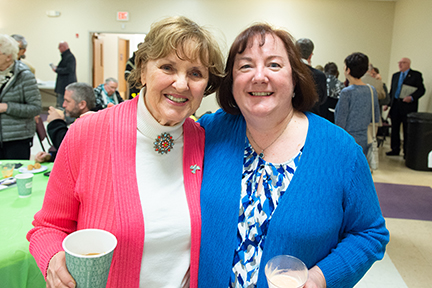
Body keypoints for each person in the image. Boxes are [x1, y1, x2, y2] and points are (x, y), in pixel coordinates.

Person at [27, 16, 224, 288]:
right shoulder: (87, 133)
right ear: (143, 71)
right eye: (167, 67)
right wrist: (52, 259)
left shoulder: (204, 142)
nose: (181, 84)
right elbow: (48, 227)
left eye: (195, 73)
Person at [197, 24, 389, 288]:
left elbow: (370, 233)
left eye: (274, 65)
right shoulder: (210, 132)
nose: (259, 76)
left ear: (295, 78)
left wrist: (319, 278)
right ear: (231, 82)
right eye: (245, 66)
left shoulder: (341, 151)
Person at [0, 34, 41, 159]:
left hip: (16, 138)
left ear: (9, 57)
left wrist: (7, 107)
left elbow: (35, 108)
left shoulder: (24, 75)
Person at [34, 82, 96, 163]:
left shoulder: (93, 122)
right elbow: (76, 152)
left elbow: (67, 147)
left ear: (82, 104)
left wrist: (55, 122)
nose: (64, 105)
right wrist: (51, 157)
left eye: (67, 101)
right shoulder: (82, 118)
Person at [335, 52, 381, 157]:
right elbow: (376, 117)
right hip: (365, 138)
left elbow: (340, 122)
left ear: (348, 70)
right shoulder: (371, 90)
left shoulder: (347, 92)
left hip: (347, 140)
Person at [384, 57, 425, 157]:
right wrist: (388, 103)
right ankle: (395, 149)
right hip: (396, 105)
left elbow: (421, 90)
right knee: (395, 128)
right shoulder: (395, 76)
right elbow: (392, 91)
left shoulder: (416, 75)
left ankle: (407, 152)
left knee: (407, 130)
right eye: (399, 62)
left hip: (408, 106)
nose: (400, 64)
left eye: (403, 62)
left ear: (408, 64)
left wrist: (411, 97)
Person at [295, 38, 327, 117]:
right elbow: (322, 100)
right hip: (312, 117)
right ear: (310, 55)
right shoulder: (320, 75)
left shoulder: (289, 72)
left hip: (290, 117)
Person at [52, 41, 77, 108]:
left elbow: (69, 70)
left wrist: (57, 70)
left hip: (65, 84)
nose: (58, 49)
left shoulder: (70, 57)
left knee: (62, 104)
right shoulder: (66, 56)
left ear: (64, 47)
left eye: (59, 47)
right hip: (64, 85)